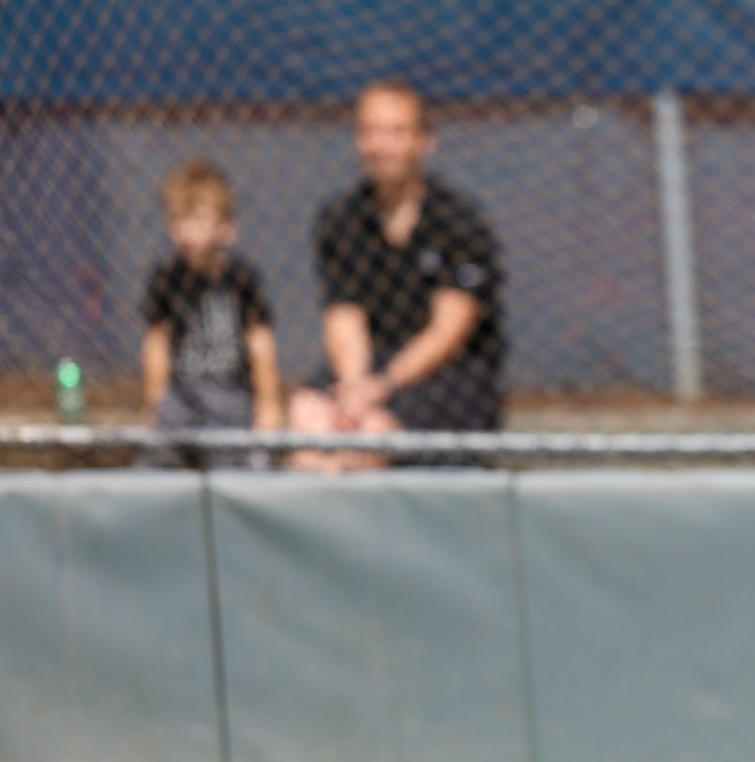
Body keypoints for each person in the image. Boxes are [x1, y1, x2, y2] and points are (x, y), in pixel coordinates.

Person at [289, 80, 505, 471]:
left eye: (395, 133)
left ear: (425, 142)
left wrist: (382, 387)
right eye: (370, 132)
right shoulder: (342, 218)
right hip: (373, 364)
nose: (381, 146)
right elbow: (344, 317)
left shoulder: (458, 222)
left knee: (370, 436)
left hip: (447, 374)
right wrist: (354, 391)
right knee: (307, 415)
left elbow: (448, 333)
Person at [138, 157, 282, 468]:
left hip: (231, 397)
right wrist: (154, 403)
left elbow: (260, 343)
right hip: (182, 396)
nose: (186, 232)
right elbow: (157, 343)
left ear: (226, 229)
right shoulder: (167, 279)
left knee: (245, 468)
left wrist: (268, 407)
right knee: (153, 463)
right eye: (178, 220)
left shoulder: (241, 279)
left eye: (198, 221)